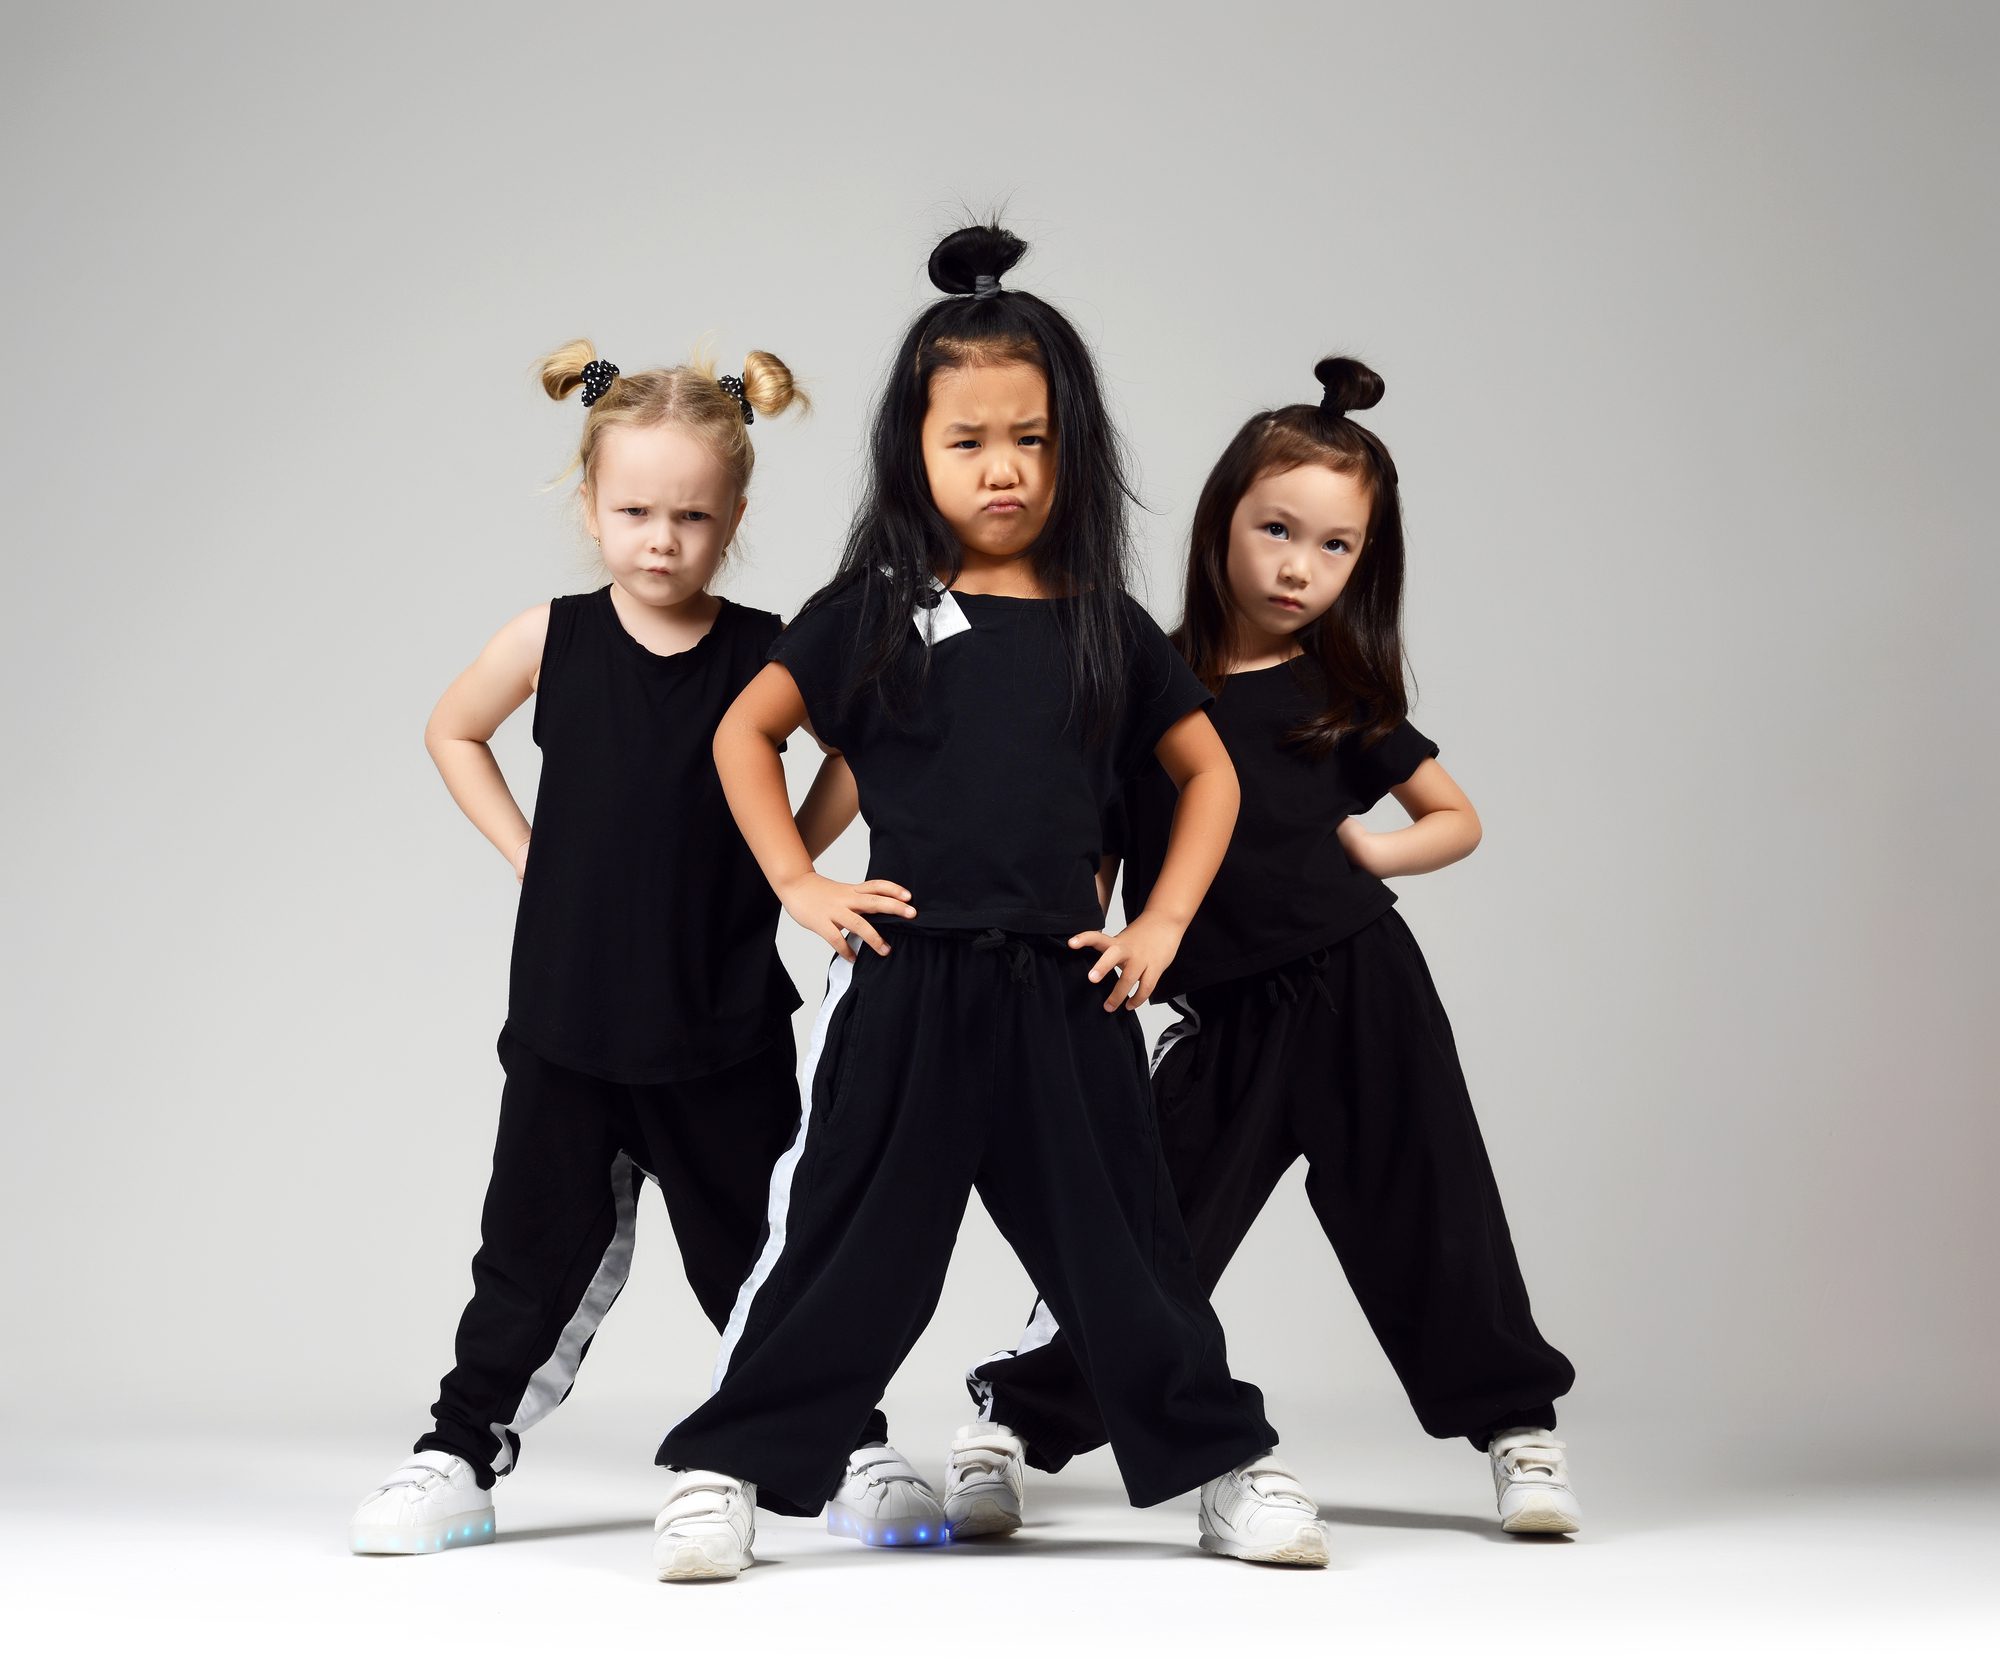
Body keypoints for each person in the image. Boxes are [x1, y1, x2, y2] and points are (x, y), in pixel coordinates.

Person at [649, 225, 1327, 1581]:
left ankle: (1218, 1465)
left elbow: (1208, 779)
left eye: (1030, 437)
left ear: (1072, 446)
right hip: (904, 979)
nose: (1002, 467)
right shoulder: (874, 607)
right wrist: (800, 879)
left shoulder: (1105, 627)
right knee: (845, 1244)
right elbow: (744, 732)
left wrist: (1162, 929)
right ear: (915, 450)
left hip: (1067, 990)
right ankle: (728, 1468)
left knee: (1126, 1249)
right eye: (968, 441)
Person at [961, 358, 1582, 1538]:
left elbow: (1454, 818)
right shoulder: (1140, 679)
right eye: (1276, 531)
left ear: (1364, 562)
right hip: (1220, 1016)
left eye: (1335, 547)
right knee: (1149, 1233)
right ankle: (1012, 1417)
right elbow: (1097, 839)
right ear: (1222, 525)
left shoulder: (1339, 698)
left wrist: (1366, 855)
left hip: (1366, 994)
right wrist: (1084, 943)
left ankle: (1518, 1432)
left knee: (1432, 1207)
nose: (1299, 566)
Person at [349, 339, 905, 1554]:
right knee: (526, 1256)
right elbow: (453, 731)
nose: (662, 539)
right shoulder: (551, 636)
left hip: (721, 1031)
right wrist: (525, 849)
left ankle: (843, 1439)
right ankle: (458, 1452)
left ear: (736, 517)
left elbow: (867, 743)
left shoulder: (768, 650)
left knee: (766, 1253)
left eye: (692, 517)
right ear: (589, 502)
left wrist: (796, 866)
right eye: (636, 511)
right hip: (568, 1029)